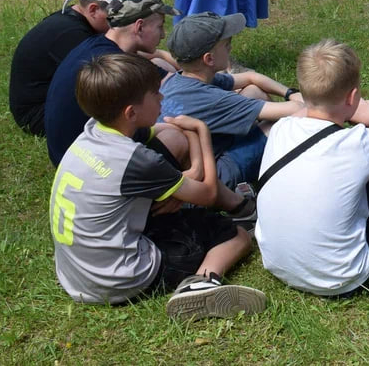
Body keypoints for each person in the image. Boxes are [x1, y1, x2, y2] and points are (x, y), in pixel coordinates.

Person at [49, 52, 265, 319]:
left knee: (176, 177)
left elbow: (159, 131)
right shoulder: (137, 161)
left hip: (77, 273)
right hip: (120, 279)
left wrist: (190, 169)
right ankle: (201, 283)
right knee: (237, 236)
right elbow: (208, 193)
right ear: (131, 112)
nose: (162, 98)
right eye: (155, 94)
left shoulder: (93, 130)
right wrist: (201, 132)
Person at [254, 40, 369, 297]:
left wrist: (356, 111)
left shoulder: (282, 127)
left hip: (277, 263)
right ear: (352, 97)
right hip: (345, 276)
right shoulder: (356, 144)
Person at [159, 12, 305, 188]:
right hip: (214, 176)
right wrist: (302, 100)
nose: (230, 48)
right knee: (278, 125)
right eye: (227, 44)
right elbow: (296, 111)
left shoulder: (179, 80)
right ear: (209, 59)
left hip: (191, 164)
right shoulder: (213, 100)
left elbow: (251, 77)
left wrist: (289, 93)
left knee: (254, 91)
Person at [44, 0, 179, 166]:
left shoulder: (98, 44)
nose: (162, 35)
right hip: (90, 163)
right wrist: (224, 80)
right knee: (177, 137)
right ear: (139, 27)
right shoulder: (119, 67)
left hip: (68, 152)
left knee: (162, 69)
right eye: (160, 27)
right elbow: (183, 86)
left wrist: (162, 56)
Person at [10, 0, 127, 135]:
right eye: (115, 15)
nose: (121, 21)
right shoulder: (70, 35)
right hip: (39, 116)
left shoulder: (72, 20)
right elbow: (116, 72)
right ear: (93, 10)